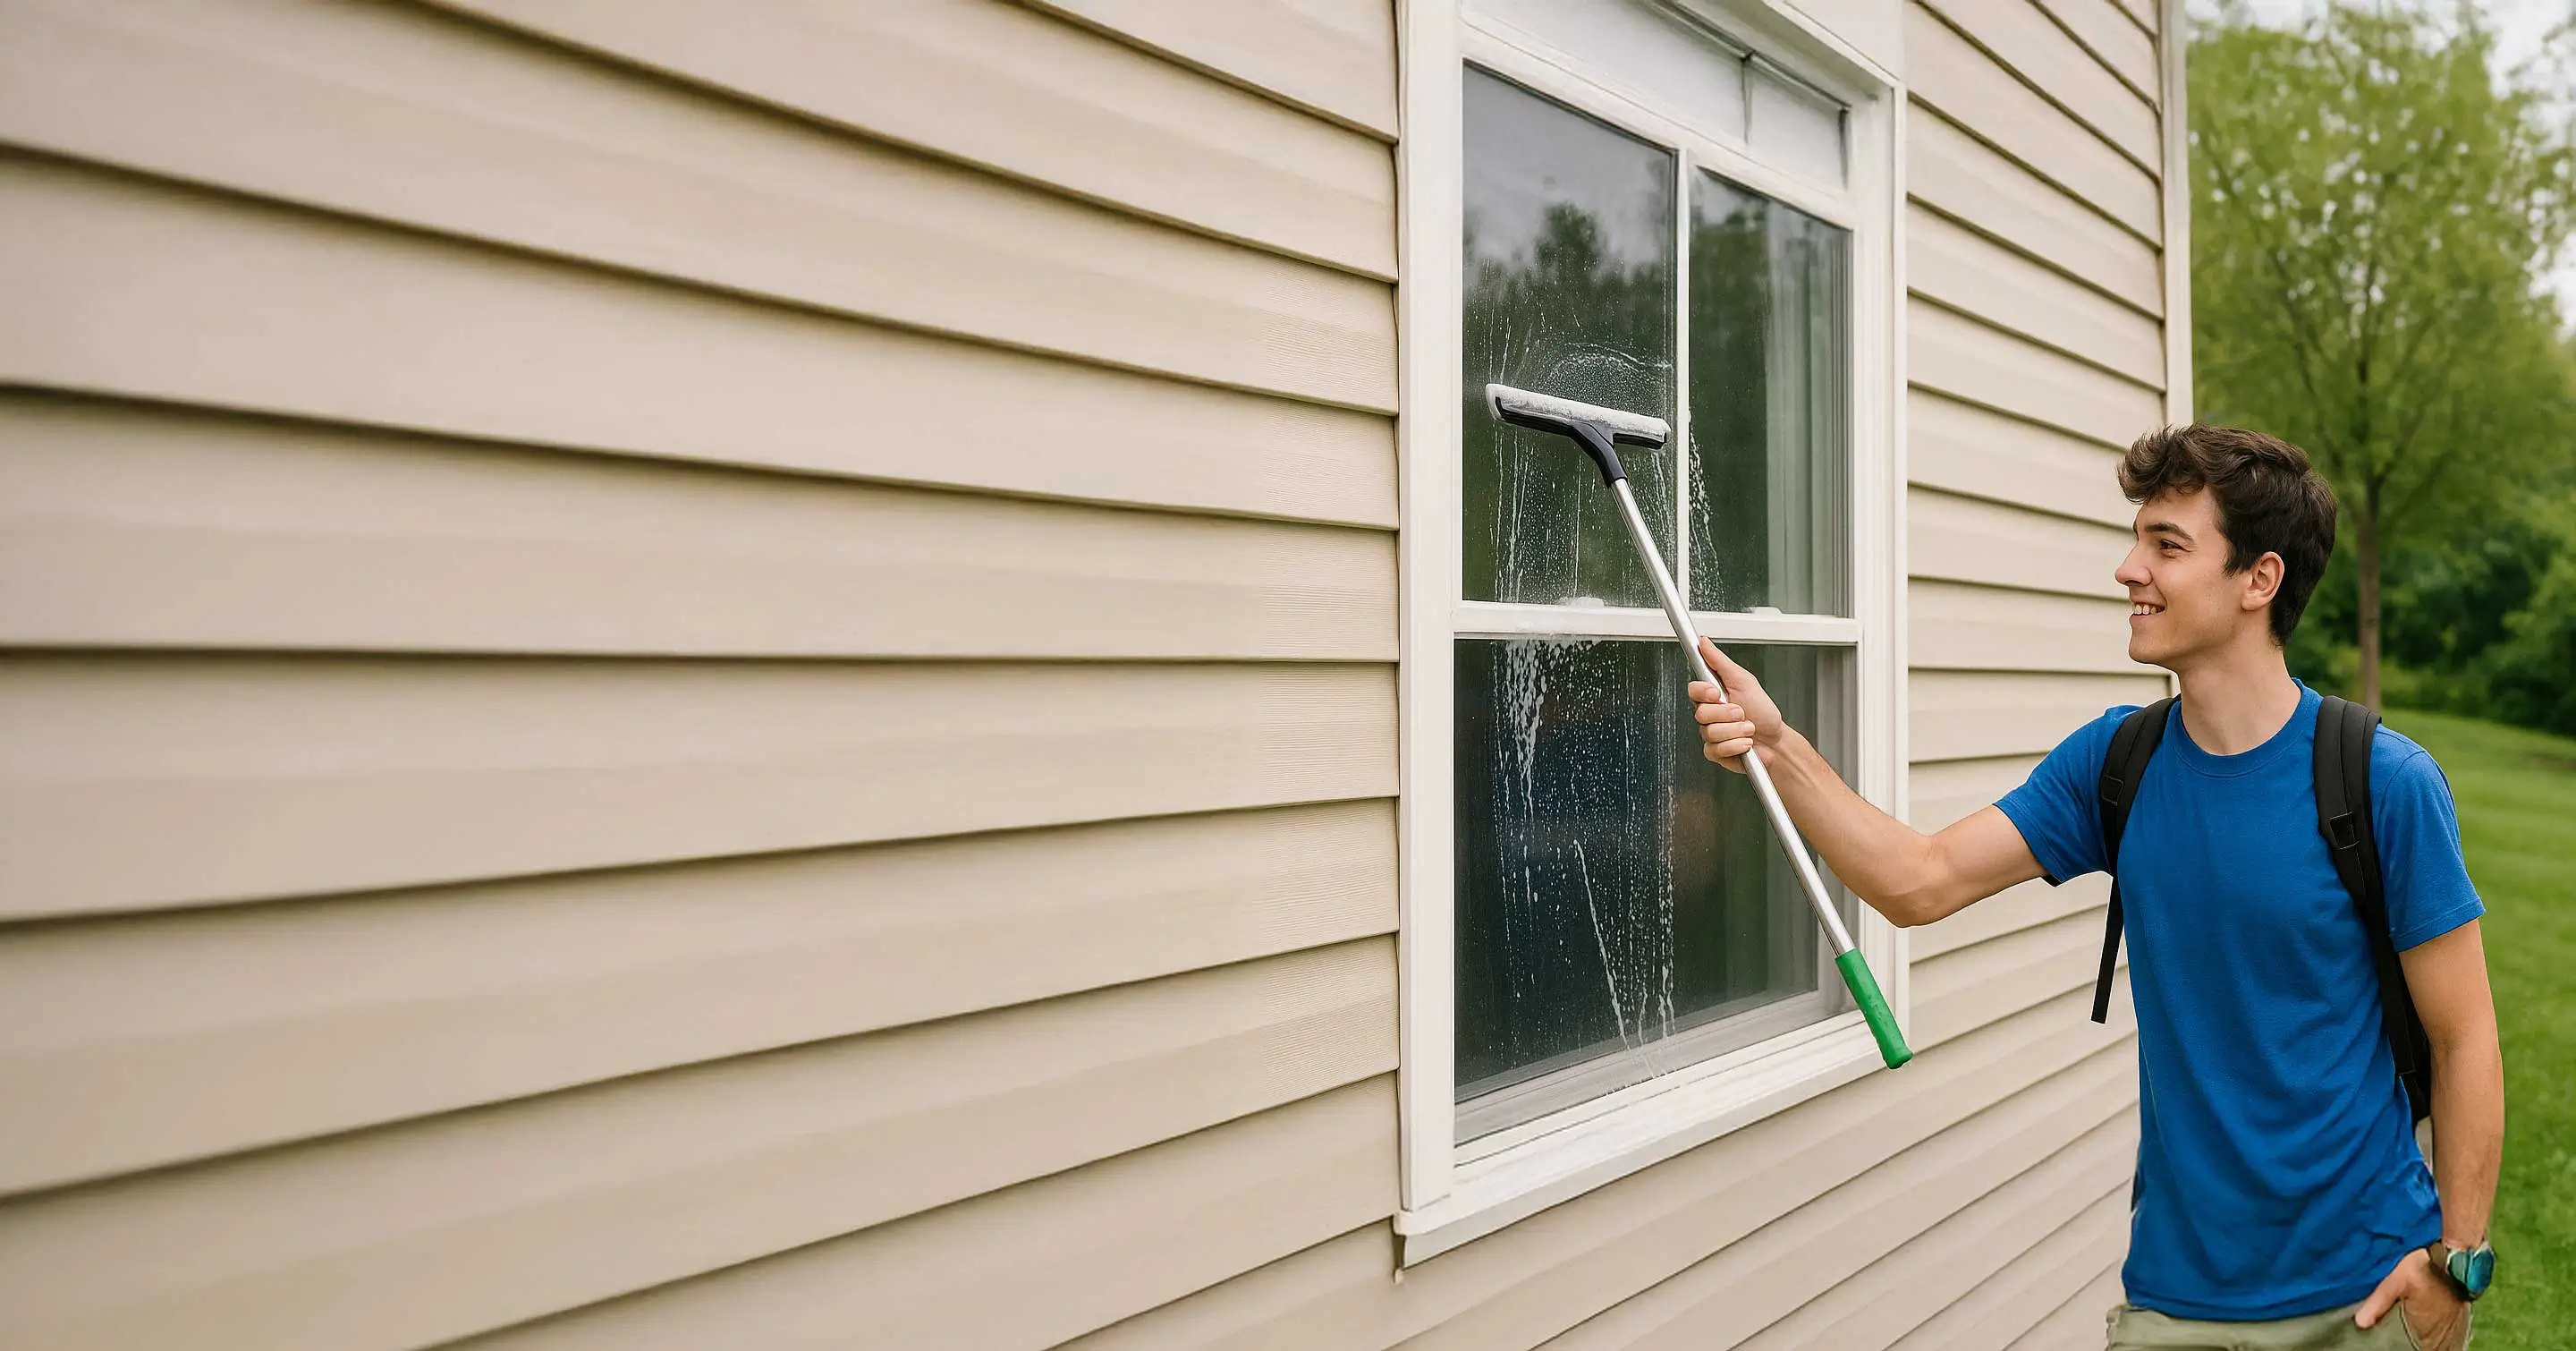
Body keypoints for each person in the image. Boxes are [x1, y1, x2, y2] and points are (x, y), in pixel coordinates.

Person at [1688, 425, 2501, 1350]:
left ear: (2258, 581)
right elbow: (1920, 880)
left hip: (2364, 1299)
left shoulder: (2382, 783)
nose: (2127, 569)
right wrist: (1779, 745)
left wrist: (2457, 1260)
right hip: (2173, 1303)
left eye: (2166, 544)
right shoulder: (2117, 764)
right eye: (2136, 538)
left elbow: (2464, 1033)